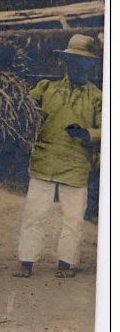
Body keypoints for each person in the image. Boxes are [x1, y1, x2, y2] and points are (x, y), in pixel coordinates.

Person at [14, 34, 101, 279]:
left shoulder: (96, 96)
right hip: (45, 159)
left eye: (81, 62)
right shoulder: (46, 87)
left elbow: (108, 129)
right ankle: (27, 261)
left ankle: (66, 263)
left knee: (73, 218)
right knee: (35, 213)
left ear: (90, 65)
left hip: (75, 164)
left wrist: (87, 133)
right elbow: (23, 109)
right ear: (65, 62)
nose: (76, 66)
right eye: (72, 61)